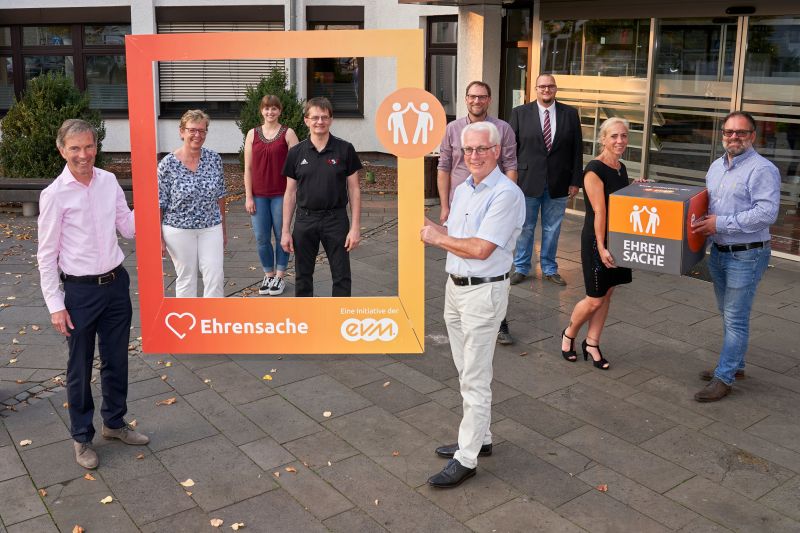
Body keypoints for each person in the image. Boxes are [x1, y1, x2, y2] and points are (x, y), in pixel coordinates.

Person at [37, 119, 149, 469]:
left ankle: (114, 423)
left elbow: (128, 229)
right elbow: (46, 255)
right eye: (75, 148)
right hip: (79, 292)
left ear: (95, 146)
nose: (83, 155)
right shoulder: (54, 194)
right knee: (79, 367)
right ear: (62, 150)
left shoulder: (109, 182)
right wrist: (56, 306)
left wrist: (149, 201)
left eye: (88, 147)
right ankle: (81, 437)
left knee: (117, 360)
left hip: (115, 285)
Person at [422, 121, 525, 488]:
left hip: (484, 293)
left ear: (497, 151)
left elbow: (482, 249)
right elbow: (458, 237)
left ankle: (467, 458)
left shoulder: (506, 194)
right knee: (466, 370)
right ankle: (480, 438)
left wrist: (435, 238)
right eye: (468, 150)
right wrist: (430, 227)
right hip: (455, 289)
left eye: (482, 149)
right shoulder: (464, 188)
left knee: (476, 378)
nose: (475, 156)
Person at [691, 111, 780, 402]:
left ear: (752, 136)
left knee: (735, 317)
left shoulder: (762, 169)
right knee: (727, 313)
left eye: (741, 133)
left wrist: (720, 223)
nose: (734, 137)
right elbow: (709, 204)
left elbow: (767, 213)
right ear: (722, 135)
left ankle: (725, 376)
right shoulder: (717, 166)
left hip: (747, 255)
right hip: (718, 252)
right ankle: (736, 365)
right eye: (729, 132)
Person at [437, 81, 518, 345]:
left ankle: (498, 322)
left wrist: (504, 202)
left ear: (489, 100)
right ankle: (467, 310)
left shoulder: (502, 129)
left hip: (490, 198)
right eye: (472, 96)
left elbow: (510, 165)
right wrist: (445, 205)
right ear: (465, 99)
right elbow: (444, 167)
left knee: (488, 255)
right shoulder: (452, 129)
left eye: (482, 97)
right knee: (463, 253)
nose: (477, 101)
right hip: (461, 197)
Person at [560, 118, 633, 370]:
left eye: (623, 136)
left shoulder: (620, 168)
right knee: (594, 298)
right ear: (603, 139)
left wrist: (636, 188)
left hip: (616, 238)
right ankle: (569, 334)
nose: (619, 141)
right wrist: (601, 248)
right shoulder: (594, 170)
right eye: (614, 136)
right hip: (596, 240)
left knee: (608, 293)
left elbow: (619, 201)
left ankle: (592, 343)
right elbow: (600, 212)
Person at [281, 97, 362, 297]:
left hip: (336, 220)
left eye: (324, 117)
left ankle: (339, 321)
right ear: (306, 120)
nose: (320, 122)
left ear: (331, 120)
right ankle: (306, 321)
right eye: (315, 117)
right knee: (303, 276)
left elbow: (354, 189)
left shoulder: (345, 149)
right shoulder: (296, 153)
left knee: (341, 275)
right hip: (305, 220)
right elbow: (290, 193)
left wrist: (355, 227)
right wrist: (285, 230)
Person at [510, 73, 583, 287]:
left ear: (556, 89)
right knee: (525, 227)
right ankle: (522, 268)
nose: (546, 90)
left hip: (559, 181)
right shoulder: (520, 113)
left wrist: (575, 180)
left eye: (550, 86)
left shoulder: (570, 114)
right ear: (536, 89)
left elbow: (577, 150)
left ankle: (550, 268)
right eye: (542, 86)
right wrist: (510, 178)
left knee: (553, 228)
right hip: (526, 181)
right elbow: (510, 149)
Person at [158, 109, 227, 298]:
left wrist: (223, 229)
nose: (197, 135)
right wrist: (159, 237)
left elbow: (220, 195)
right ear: (182, 132)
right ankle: (188, 323)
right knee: (186, 278)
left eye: (202, 131)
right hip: (178, 229)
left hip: (211, 226)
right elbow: (160, 202)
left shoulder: (214, 159)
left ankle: (212, 321)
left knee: (215, 276)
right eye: (192, 130)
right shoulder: (167, 164)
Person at [243, 95, 300, 296]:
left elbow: (298, 166)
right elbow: (247, 168)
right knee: (261, 238)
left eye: (274, 109)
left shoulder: (288, 133)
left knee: (281, 235)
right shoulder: (252, 134)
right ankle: (268, 274)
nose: (270, 112)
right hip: (258, 195)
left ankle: (280, 276)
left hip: (281, 195)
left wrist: (294, 193)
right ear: (261, 111)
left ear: (280, 111)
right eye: (267, 109)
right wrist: (248, 196)